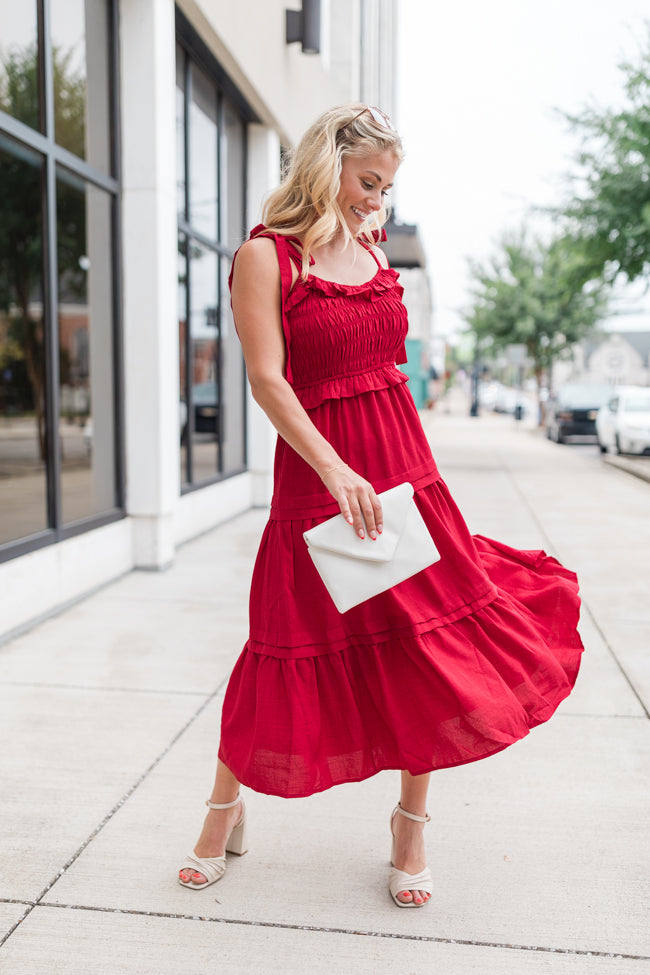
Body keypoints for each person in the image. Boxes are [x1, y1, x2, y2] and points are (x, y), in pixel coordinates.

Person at [177, 104, 583, 908]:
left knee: (417, 648)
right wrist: (334, 473)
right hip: (321, 481)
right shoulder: (268, 257)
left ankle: (410, 823)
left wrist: (403, 479)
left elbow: (384, 368)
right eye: (368, 181)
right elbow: (268, 381)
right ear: (327, 165)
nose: (376, 200)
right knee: (280, 643)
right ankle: (224, 810)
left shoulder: (371, 249)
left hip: (402, 473)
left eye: (388, 187)